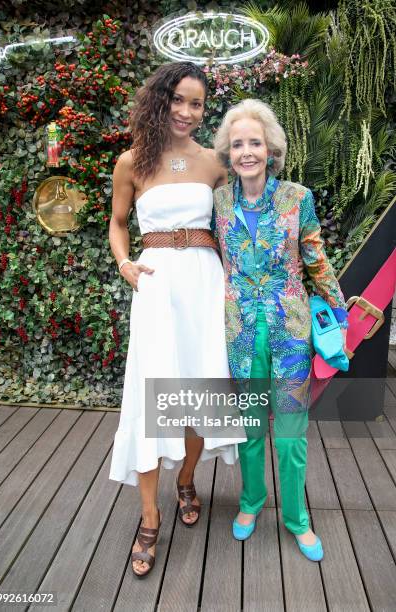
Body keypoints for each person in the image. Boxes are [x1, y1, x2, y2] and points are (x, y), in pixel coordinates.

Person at [108, 61, 242, 577]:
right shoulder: (131, 163)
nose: (187, 111)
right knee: (152, 393)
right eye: (179, 99)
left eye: (197, 103)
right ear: (160, 99)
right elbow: (119, 225)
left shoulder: (214, 163)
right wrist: (125, 264)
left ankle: (187, 478)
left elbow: (240, 222)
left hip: (205, 285)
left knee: (200, 390)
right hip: (157, 283)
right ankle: (149, 515)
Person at [213, 99, 348, 562]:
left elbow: (313, 255)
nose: (246, 151)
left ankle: (297, 518)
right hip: (242, 333)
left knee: (290, 430)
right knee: (250, 428)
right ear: (228, 152)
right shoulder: (220, 200)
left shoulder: (296, 197)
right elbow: (220, 262)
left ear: (271, 149)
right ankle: (251, 502)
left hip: (289, 331)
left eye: (255, 142)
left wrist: (336, 306)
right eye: (237, 144)